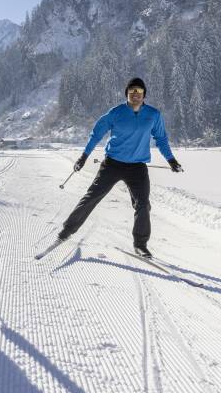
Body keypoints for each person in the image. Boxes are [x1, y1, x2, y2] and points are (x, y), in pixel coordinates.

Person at [56, 77, 183, 258]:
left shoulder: (153, 115)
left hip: (137, 168)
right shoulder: (116, 113)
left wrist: (171, 160)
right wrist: (84, 157)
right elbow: (96, 134)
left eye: (139, 92)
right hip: (112, 164)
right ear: (127, 94)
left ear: (144, 94)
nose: (136, 95)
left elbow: (161, 138)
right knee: (92, 197)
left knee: (143, 205)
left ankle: (140, 244)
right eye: (132, 92)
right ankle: (66, 231)